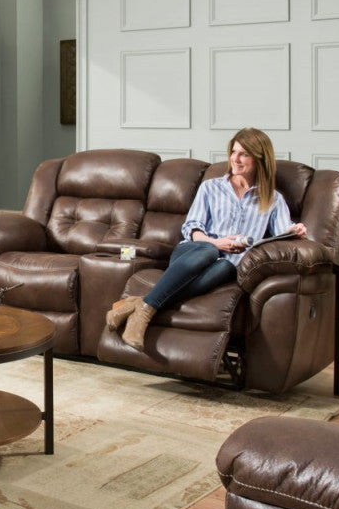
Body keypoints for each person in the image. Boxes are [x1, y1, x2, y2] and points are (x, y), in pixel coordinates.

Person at [107, 127, 308, 351]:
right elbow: (192, 228)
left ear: (260, 158)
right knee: (209, 252)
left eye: (244, 154)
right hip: (193, 252)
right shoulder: (211, 188)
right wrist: (216, 243)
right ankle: (143, 314)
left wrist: (296, 230)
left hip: (227, 262)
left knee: (226, 267)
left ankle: (138, 304)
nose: (235, 159)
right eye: (233, 152)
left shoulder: (272, 199)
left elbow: (283, 232)